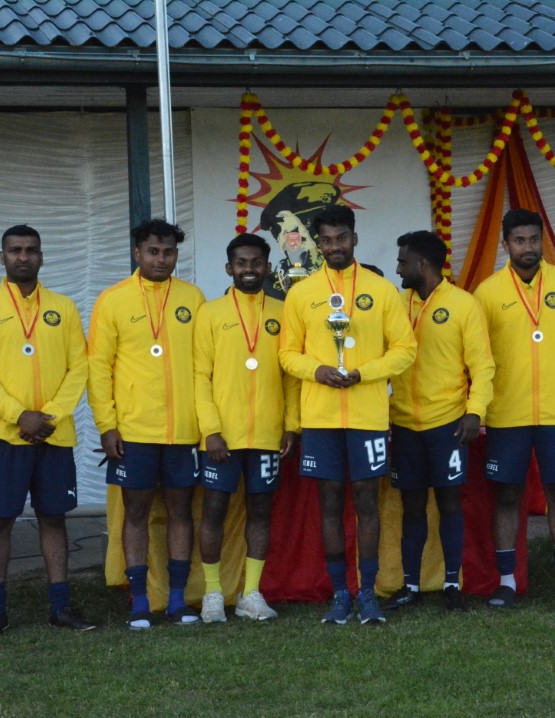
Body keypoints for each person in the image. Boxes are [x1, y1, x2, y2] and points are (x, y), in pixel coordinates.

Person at [278, 205, 416, 624]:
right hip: (320, 418)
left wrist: (364, 374)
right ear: (318, 244)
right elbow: (287, 354)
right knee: (330, 504)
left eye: (341, 238)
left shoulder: (381, 290)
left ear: (354, 238)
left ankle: (368, 593)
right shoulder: (301, 293)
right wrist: (317, 370)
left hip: (366, 416)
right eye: (327, 240)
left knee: (367, 504)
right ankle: (340, 594)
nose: (334, 246)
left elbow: (405, 349)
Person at [0, 225, 96, 635]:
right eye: (15, 250)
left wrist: (48, 416)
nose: (23, 256)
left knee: (53, 518)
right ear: (2, 257)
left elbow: (79, 367)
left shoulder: (63, 307)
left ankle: (60, 607)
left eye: (31, 250)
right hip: (5, 435)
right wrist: (19, 415)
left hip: (54, 435)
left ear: (42, 256)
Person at [88, 219, 206, 628]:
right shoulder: (113, 300)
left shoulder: (193, 298)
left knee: (180, 513)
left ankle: (177, 600)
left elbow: (204, 366)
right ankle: (139, 600)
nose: (161, 259)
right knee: (135, 513)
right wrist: (107, 425)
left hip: (183, 430)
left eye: (168, 252)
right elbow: (98, 369)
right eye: (153, 251)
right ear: (137, 253)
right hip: (133, 431)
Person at [474, 209, 555, 609]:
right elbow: (480, 353)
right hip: (508, 414)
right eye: (519, 240)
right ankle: (506, 582)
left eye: (533, 240)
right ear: (506, 244)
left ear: (542, 241)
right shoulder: (488, 292)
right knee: (508, 496)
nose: (528, 247)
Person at [383, 230, 494, 613]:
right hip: (404, 424)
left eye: (403, 262)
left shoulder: (463, 305)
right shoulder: (394, 303)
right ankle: (411, 586)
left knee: (449, 504)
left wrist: (475, 411)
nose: (398, 268)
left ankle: (451, 585)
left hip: (448, 423)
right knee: (412, 506)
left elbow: (483, 365)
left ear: (423, 264)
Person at [194, 233, 299, 622]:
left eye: (256, 262)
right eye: (241, 263)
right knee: (214, 510)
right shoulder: (210, 313)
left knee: (260, 511)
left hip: (268, 433)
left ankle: (250, 593)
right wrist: (210, 430)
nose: (249, 269)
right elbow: (199, 376)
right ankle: (212, 594)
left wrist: (291, 425)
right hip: (223, 435)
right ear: (229, 268)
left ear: (268, 267)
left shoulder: (284, 311)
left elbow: (291, 375)